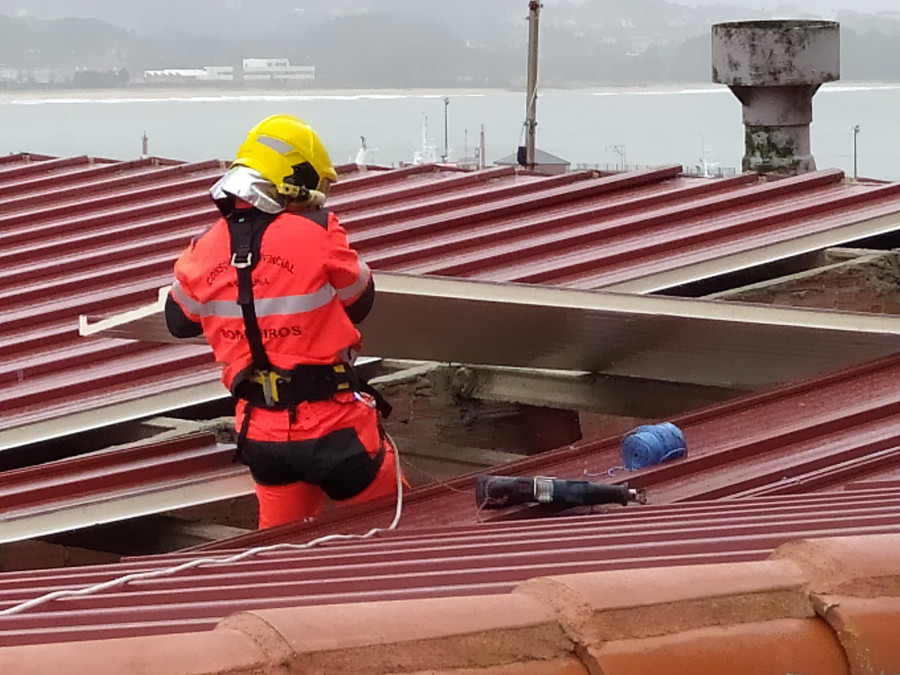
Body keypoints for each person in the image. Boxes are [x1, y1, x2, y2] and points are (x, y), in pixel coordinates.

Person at [164, 114, 403, 529]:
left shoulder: (203, 248)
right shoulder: (318, 232)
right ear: (295, 181)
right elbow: (360, 299)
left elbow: (177, 321)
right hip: (336, 430)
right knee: (398, 540)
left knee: (281, 554)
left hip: (262, 435)